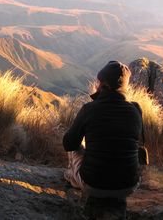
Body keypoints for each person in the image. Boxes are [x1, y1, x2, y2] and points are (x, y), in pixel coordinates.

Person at [63, 61, 142, 219]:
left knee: (76, 149)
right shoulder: (135, 110)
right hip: (128, 186)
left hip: (93, 185)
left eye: (99, 82)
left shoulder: (89, 109)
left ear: (103, 84)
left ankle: (73, 177)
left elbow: (68, 144)